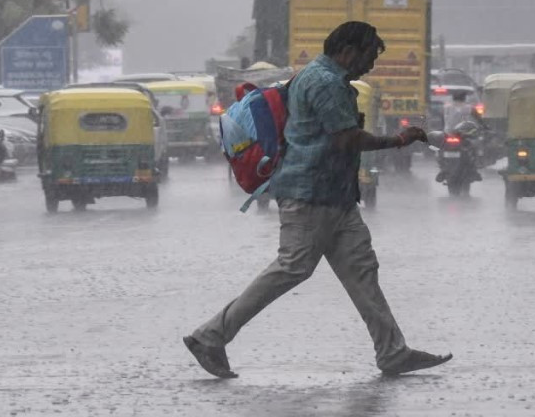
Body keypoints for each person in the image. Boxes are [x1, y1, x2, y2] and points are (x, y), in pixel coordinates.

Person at [183, 21, 452, 378]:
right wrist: (399, 141)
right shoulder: (325, 84)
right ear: (348, 51)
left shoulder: (319, 78)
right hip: (310, 195)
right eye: (369, 56)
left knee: (362, 272)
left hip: (335, 197)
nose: (370, 65)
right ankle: (210, 336)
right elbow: (346, 138)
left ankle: (392, 351)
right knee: (291, 268)